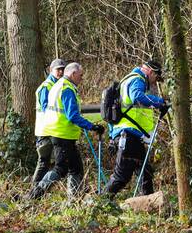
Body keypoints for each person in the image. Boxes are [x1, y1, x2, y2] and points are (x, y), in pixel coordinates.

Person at [29, 62, 105, 200]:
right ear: (73, 74)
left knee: (76, 167)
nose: (82, 79)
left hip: (61, 133)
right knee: (60, 169)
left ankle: (74, 199)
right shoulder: (67, 88)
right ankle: (36, 194)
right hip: (62, 134)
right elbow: (72, 115)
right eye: (80, 75)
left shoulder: (58, 85)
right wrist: (91, 126)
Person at [105, 59, 169, 198]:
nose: (155, 82)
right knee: (121, 176)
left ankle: (149, 203)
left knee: (145, 172)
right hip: (128, 134)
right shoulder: (137, 79)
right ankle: (101, 202)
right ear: (150, 72)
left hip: (132, 135)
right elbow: (137, 96)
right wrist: (160, 102)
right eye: (156, 78)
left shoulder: (129, 79)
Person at [32, 58, 66, 187]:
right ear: (51, 70)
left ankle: (39, 189)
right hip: (44, 130)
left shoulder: (57, 85)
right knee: (43, 162)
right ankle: (35, 189)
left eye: (63, 69)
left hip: (51, 129)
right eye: (58, 70)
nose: (61, 72)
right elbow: (47, 110)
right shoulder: (46, 87)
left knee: (51, 162)